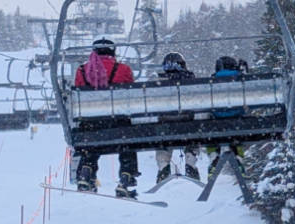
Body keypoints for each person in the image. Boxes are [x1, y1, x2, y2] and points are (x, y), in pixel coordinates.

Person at [73, 37, 140, 197]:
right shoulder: (123, 69)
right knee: (127, 143)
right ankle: (126, 176)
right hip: (118, 123)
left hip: (90, 123)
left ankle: (86, 171)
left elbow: (77, 94)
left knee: (91, 143)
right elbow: (131, 95)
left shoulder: (82, 71)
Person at [154, 51, 201, 183]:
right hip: (188, 122)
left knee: (163, 142)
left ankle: (163, 167)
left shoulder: (158, 82)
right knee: (193, 136)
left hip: (165, 124)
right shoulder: (191, 80)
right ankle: (190, 161)